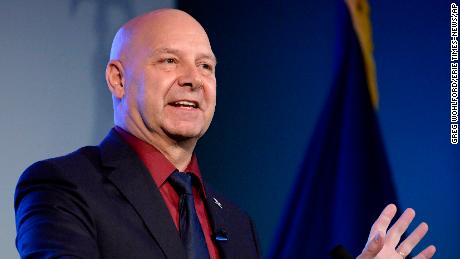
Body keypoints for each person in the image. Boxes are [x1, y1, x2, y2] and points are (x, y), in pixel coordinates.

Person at [14, 9, 435, 259]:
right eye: (168, 61)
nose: (193, 79)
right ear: (118, 79)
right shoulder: (61, 188)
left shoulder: (235, 222)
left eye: (206, 66)